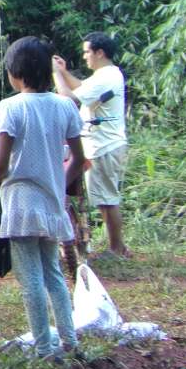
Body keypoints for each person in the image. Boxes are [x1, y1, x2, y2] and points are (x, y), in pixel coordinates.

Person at [0, 36, 86, 360]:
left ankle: (44, 348)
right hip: (52, 203)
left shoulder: (9, 107)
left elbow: (1, 164)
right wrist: (59, 185)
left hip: (20, 202)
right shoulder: (65, 106)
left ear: (15, 73)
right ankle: (70, 341)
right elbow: (78, 158)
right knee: (54, 274)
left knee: (30, 279)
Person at [52, 31, 130, 257]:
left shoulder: (106, 76)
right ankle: (118, 247)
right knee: (105, 197)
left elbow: (68, 98)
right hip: (102, 144)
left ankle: (117, 249)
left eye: (87, 52)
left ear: (100, 52)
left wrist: (56, 74)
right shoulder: (106, 75)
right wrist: (64, 72)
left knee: (107, 199)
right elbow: (80, 88)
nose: (85, 56)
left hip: (103, 146)